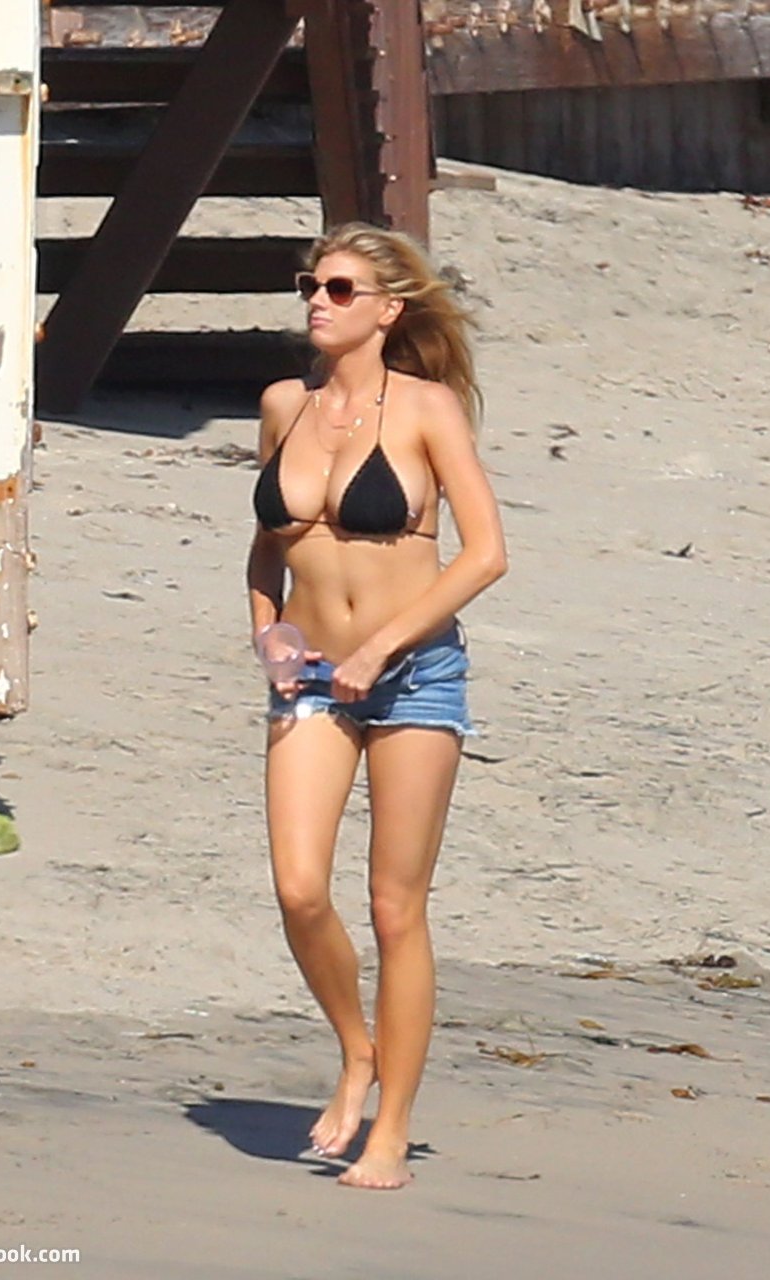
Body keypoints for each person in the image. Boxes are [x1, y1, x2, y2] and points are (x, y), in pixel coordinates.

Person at [247, 224, 508, 1185]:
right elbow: (269, 548)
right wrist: (268, 631)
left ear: (389, 310)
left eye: (341, 289)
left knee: (396, 909)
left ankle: (391, 1127)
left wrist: (381, 647)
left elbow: (486, 553)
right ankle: (358, 1050)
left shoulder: (428, 409)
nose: (319, 302)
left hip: (414, 676)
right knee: (298, 888)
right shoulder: (284, 405)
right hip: (311, 676)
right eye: (311, 285)